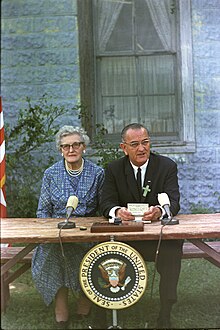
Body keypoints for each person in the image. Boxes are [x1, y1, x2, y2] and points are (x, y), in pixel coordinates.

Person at [100, 123, 183, 329]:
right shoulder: (113, 169)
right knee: (101, 249)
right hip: (125, 239)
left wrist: (160, 211)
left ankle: (166, 311)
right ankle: (105, 311)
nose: (141, 149)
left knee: (173, 249)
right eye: (135, 144)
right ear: (123, 147)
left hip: (157, 239)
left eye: (145, 142)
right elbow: (105, 203)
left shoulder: (166, 166)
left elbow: (174, 202)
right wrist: (117, 211)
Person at [31, 125, 105, 329]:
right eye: (65, 146)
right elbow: (43, 211)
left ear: (84, 147)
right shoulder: (50, 174)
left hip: (86, 233)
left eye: (75, 145)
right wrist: (50, 232)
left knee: (85, 250)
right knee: (53, 250)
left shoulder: (97, 173)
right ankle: (60, 302)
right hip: (58, 231)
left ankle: (85, 298)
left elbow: (103, 209)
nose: (70, 150)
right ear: (60, 150)